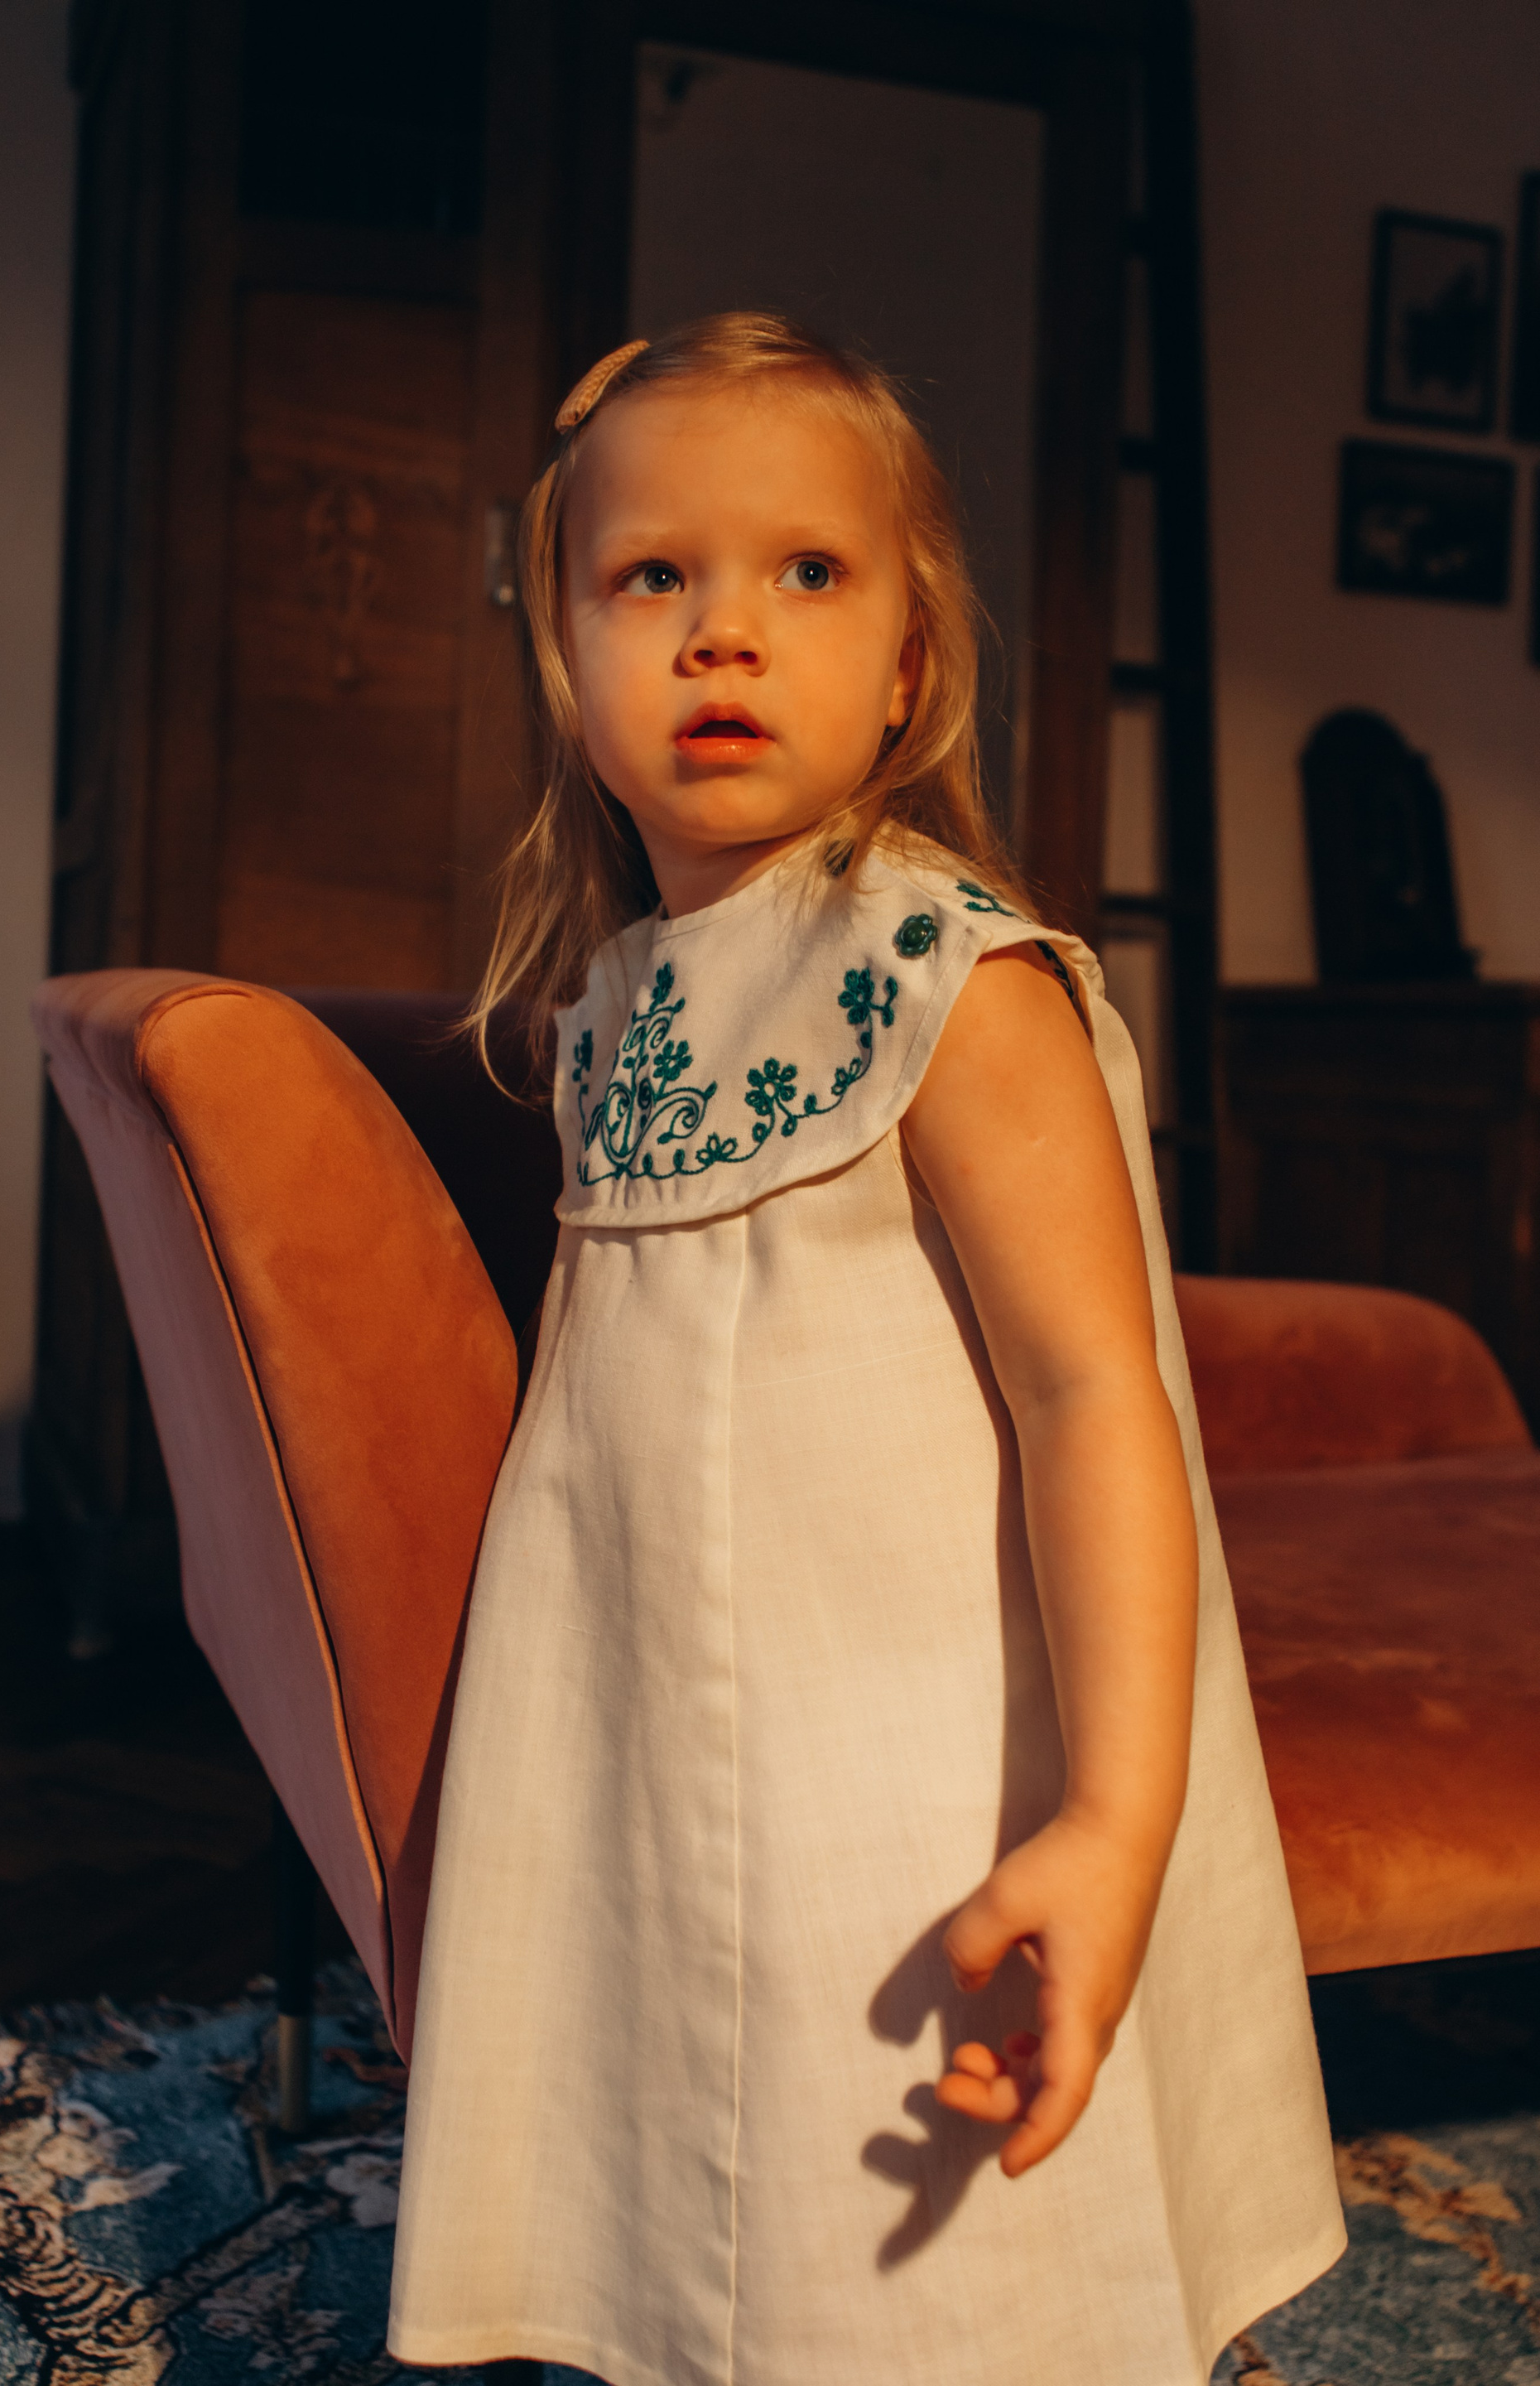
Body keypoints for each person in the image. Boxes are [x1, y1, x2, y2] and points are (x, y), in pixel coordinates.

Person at [388, 313, 1343, 2386]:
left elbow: (1098, 1396)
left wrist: (1112, 1820)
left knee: (918, 2258)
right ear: (565, 653)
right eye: (654, 574)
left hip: (910, 1767)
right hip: (668, 1741)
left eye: (806, 572)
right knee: (709, 2186)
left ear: (908, 664)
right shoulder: (616, 1006)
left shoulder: (946, 979)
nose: (724, 630)